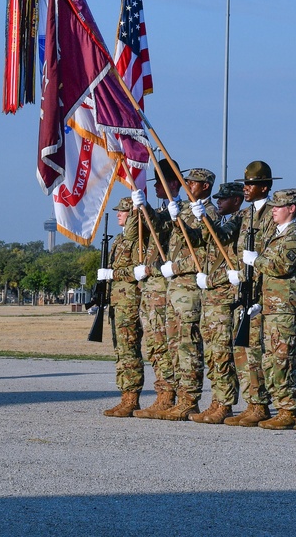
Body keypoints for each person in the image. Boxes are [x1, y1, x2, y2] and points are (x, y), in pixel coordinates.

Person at [239, 186, 296, 430]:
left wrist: (255, 259)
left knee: (283, 360)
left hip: (286, 309)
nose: (273, 211)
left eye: (278, 207)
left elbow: (281, 267)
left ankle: (289, 412)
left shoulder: (294, 236)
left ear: (291, 209)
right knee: (271, 359)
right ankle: (280, 408)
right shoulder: (276, 235)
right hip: (272, 306)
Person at [157, 165, 217, 421]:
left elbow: (203, 254)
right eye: (187, 182)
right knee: (173, 346)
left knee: (188, 345)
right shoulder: (181, 210)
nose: (188, 186)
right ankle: (178, 397)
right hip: (174, 287)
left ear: (204, 186)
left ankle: (189, 400)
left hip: (190, 287)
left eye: (192, 183)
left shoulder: (209, 212)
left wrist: (176, 266)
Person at [224, 159, 280, 427]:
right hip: (242, 288)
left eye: (251, 184)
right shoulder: (244, 215)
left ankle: (260, 405)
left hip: (260, 291)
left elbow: (271, 254)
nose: (245, 188)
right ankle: (251, 403)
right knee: (242, 351)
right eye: (245, 183)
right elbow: (221, 235)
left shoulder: (272, 214)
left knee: (256, 351)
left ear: (265, 187)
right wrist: (200, 217)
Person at [190, 178, 245, 424]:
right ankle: (216, 399)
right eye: (218, 198)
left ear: (236, 200)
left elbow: (220, 237)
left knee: (222, 352)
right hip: (210, 295)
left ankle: (225, 403)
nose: (219, 202)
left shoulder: (239, 220)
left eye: (223, 198)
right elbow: (201, 240)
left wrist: (205, 217)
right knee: (212, 353)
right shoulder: (224, 219)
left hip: (224, 296)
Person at [131, 160, 179, 419]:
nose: (156, 187)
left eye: (160, 183)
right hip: (151, 289)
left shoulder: (179, 210)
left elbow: (162, 225)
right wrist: (143, 207)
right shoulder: (164, 208)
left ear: (173, 183)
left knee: (164, 344)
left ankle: (169, 395)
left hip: (164, 288)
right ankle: (163, 393)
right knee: (154, 344)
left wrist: (147, 208)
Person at [99, 196, 143, 416]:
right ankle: (125, 394)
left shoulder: (137, 240)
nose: (118, 214)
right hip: (117, 303)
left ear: (132, 215)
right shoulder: (118, 239)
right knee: (121, 351)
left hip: (130, 302)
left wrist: (113, 274)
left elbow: (138, 271)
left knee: (129, 350)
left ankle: (131, 398)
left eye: (123, 211)